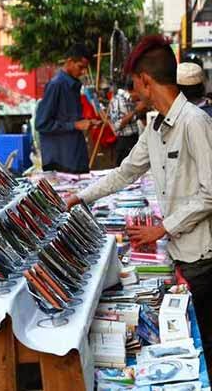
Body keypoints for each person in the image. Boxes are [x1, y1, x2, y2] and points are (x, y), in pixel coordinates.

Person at [67, 35, 212, 369]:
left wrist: (162, 228)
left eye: (133, 84)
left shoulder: (194, 122)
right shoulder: (155, 128)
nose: (132, 93)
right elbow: (125, 172)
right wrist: (79, 197)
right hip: (180, 254)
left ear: (146, 81)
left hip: (202, 259)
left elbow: (209, 192)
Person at [35, 43, 99, 173]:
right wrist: (75, 125)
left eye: (85, 68)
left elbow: (70, 118)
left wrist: (86, 123)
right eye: (80, 67)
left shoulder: (73, 85)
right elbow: (42, 124)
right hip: (60, 162)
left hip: (75, 158)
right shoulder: (56, 85)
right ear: (69, 62)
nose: (83, 72)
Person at [109, 79, 148, 165]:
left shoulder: (130, 100)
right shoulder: (118, 101)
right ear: (134, 90)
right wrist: (136, 110)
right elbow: (117, 125)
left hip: (134, 139)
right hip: (125, 142)